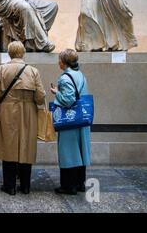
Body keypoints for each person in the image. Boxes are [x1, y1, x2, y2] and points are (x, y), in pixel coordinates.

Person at [0, 41, 46, 195]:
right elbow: (40, 97)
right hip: (28, 112)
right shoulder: (33, 71)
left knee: (8, 146)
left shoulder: (1, 69)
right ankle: (25, 186)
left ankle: (10, 186)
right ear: (23, 53)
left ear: (9, 53)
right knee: (27, 146)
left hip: (7, 111)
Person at [50, 49, 91, 195]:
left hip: (70, 121)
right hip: (81, 119)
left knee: (69, 152)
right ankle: (80, 183)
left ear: (64, 62)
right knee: (80, 151)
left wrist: (56, 93)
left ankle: (68, 186)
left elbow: (68, 100)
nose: (58, 62)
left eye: (59, 59)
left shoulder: (65, 78)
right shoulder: (80, 74)